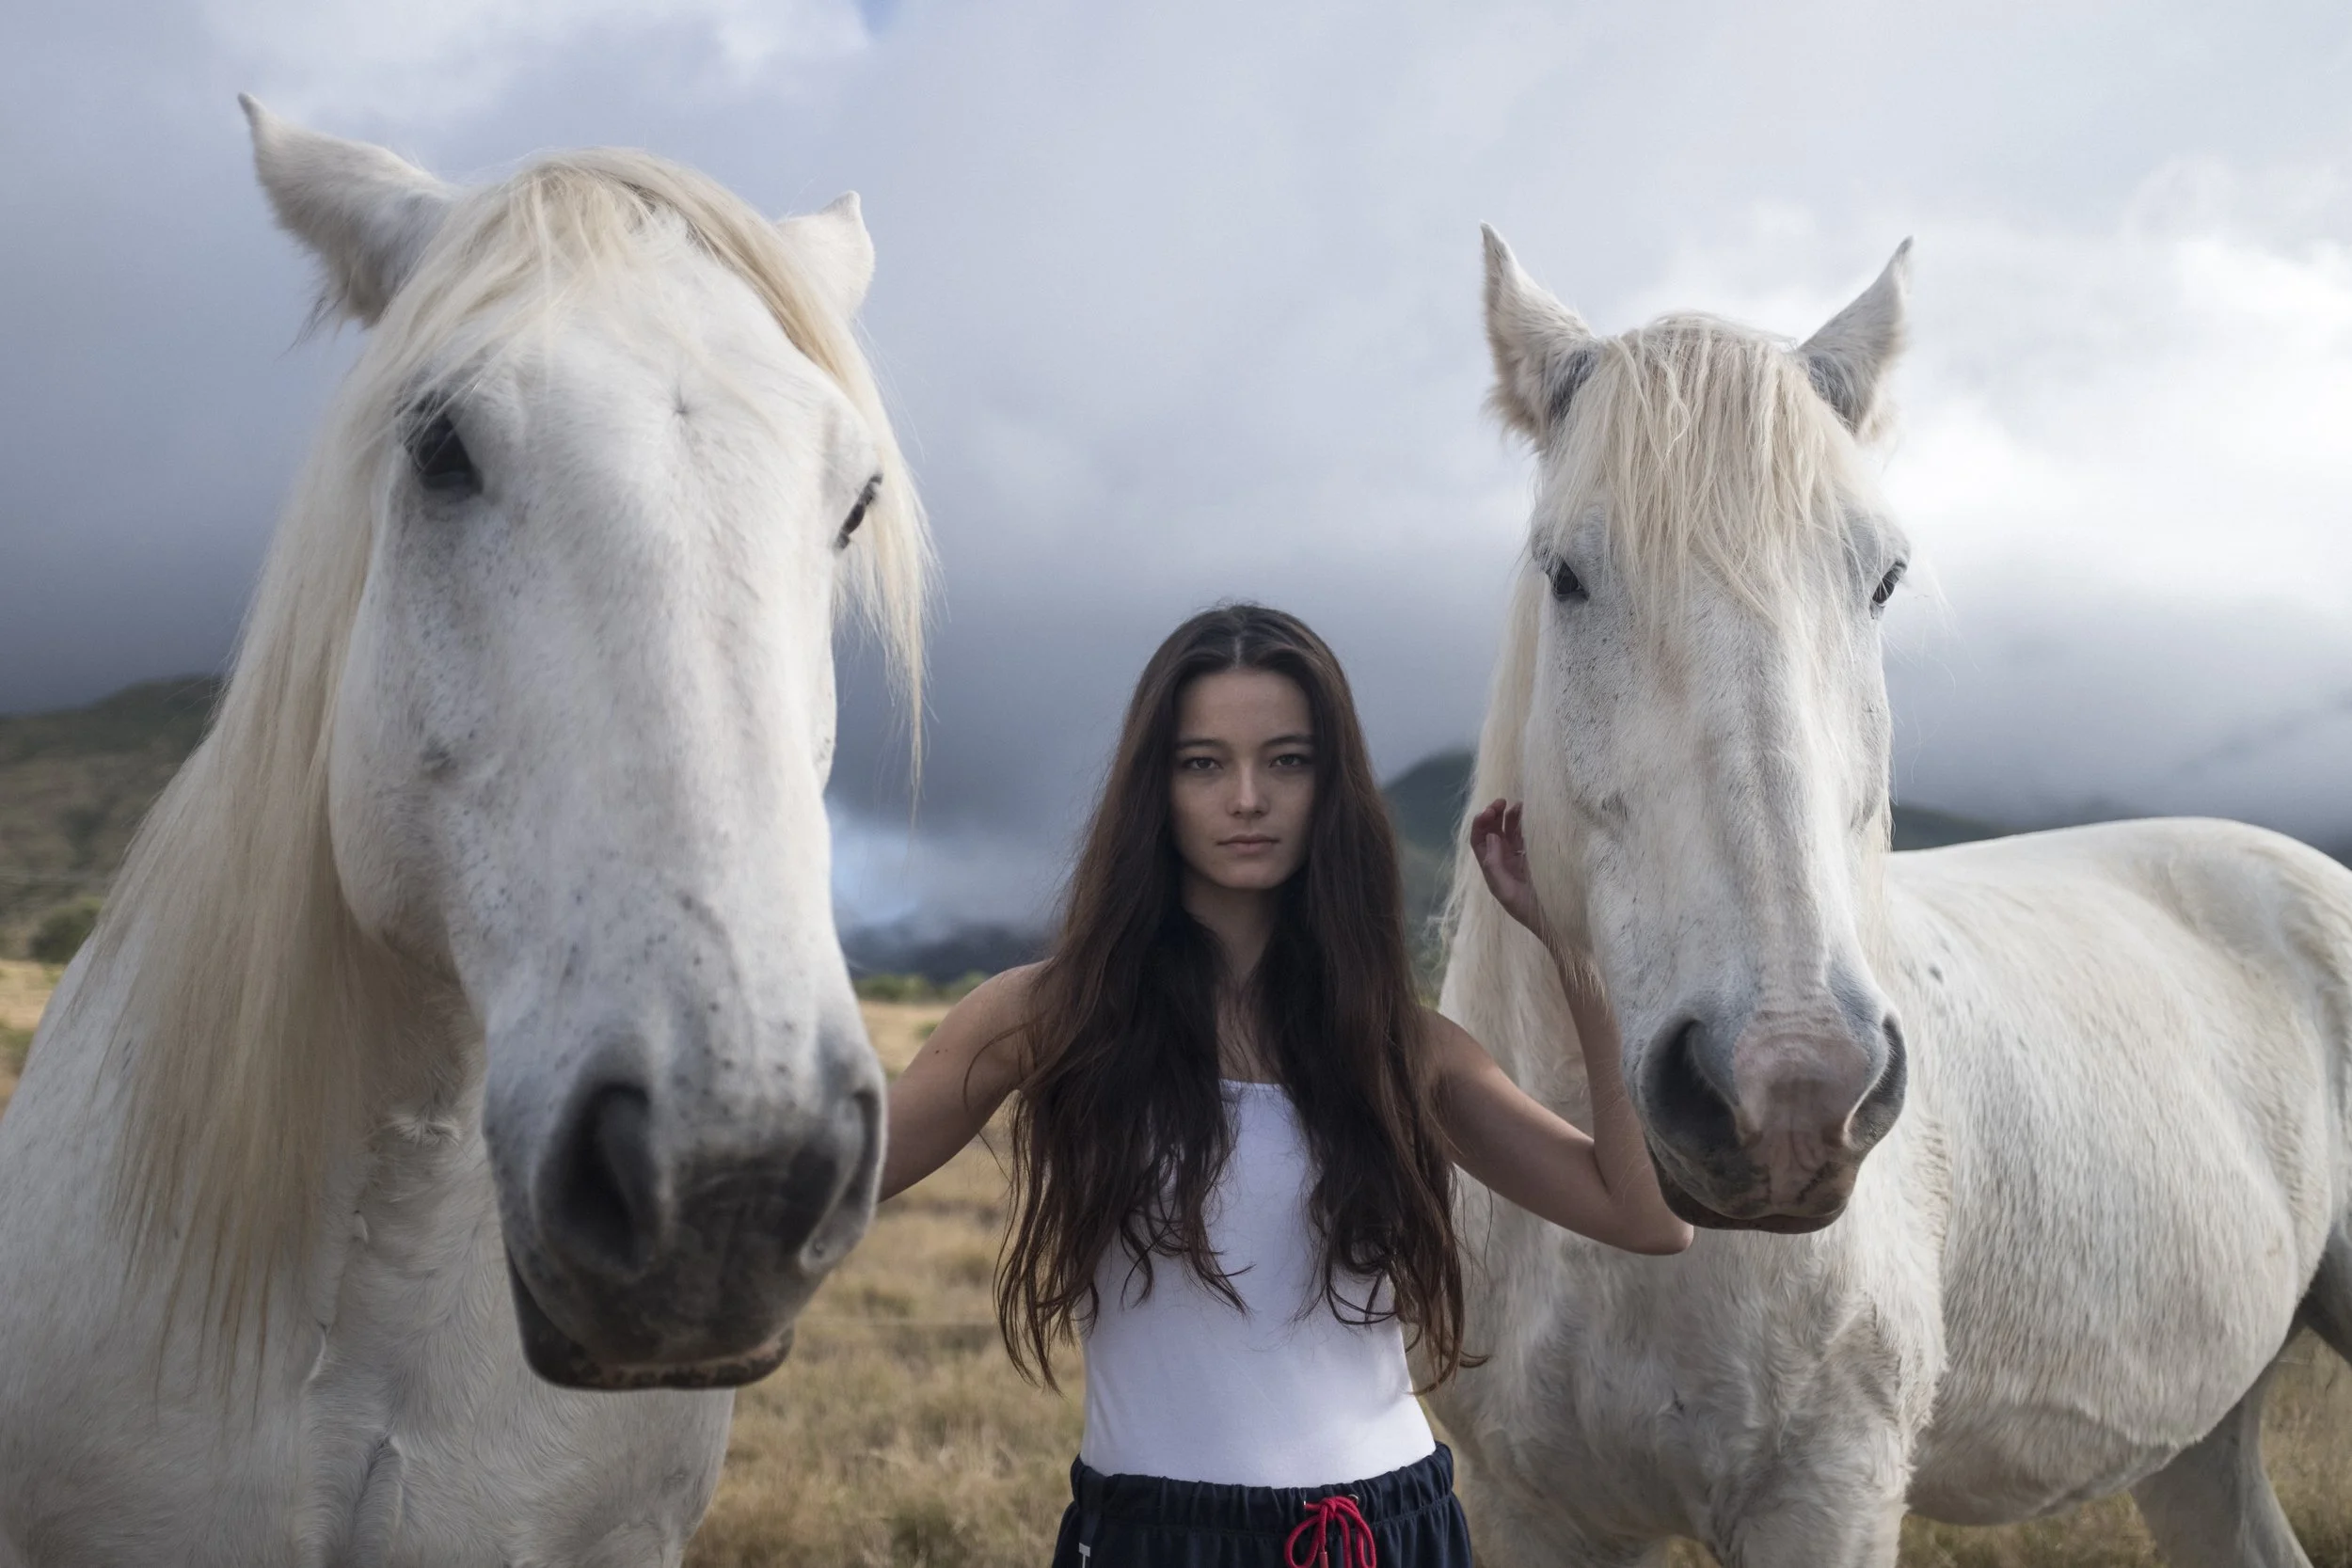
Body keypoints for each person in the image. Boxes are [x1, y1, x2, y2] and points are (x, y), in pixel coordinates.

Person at [882, 604, 1692, 1567]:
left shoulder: (1404, 1045)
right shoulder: (1044, 1014)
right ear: (1155, 786)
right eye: (1202, 762)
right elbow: (834, 1179)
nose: (1247, 797)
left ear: (1330, 785)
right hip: (1156, 1539)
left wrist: (1576, 952)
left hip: (1386, 1533)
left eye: (1288, 760)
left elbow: (1645, 1214)